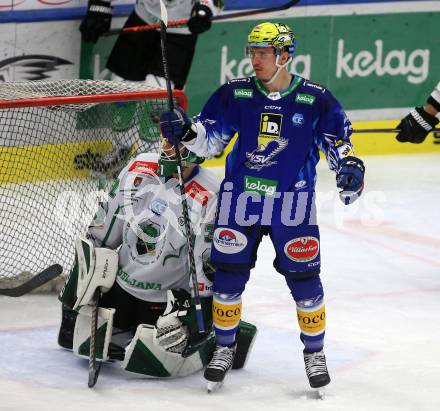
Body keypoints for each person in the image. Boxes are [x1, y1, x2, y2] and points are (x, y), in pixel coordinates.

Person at [160, 22, 365, 392]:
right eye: (251, 52)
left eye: (263, 53)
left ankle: (314, 354)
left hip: (293, 203)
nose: (255, 60)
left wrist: (350, 167)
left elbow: (341, 144)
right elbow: (207, 140)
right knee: (228, 278)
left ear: (284, 56)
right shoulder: (235, 94)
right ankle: (224, 348)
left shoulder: (316, 98)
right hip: (242, 200)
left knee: (306, 282)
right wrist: (186, 132)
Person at [58, 141, 257, 378]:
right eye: (168, 143)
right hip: (120, 289)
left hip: (167, 303)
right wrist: (84, 273)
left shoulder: (212, 193)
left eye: (181, 148)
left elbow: (205, 264)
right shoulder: (138, 168)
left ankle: (226, 332)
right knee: (73, 340)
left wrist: (199, 313)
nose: (170, 150)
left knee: (161, 360)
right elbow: (103, 230)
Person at [78, 0, 222, 175]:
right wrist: (99, 4)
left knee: (157, 100)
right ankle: (121, 150)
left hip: (180, 28)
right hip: (144, 16)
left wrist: (206, 8)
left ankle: (146, 158)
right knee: (122, 92)